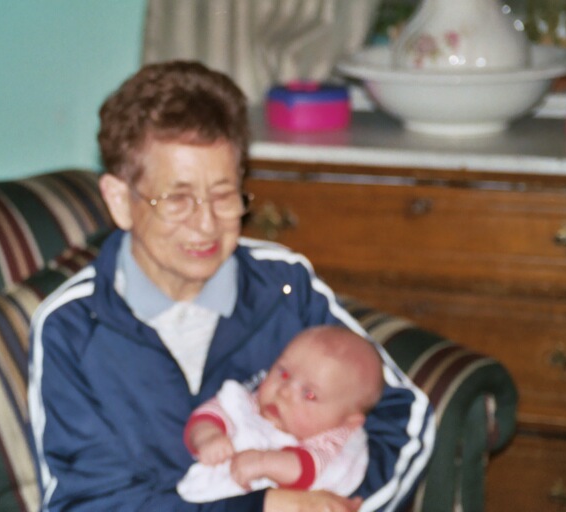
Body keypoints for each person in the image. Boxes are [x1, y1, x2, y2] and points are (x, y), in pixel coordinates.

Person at [28, 60, 435, 512]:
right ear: (121, 200)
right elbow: (87, 503)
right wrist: (265, 507)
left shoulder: (283, 287)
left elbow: (404, 419)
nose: (206, 224)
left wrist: (336, 504)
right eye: (178, 199)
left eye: (223, 196)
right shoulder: (72, 328)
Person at [178, 325, 385, 503]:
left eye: (309, 394)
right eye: (284, 373)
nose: (284, 392)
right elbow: (208, 414)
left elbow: (308, 469)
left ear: (349, 421)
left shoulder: (332, 441)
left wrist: (262, 462)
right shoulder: (247, 404)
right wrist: (208, 436)